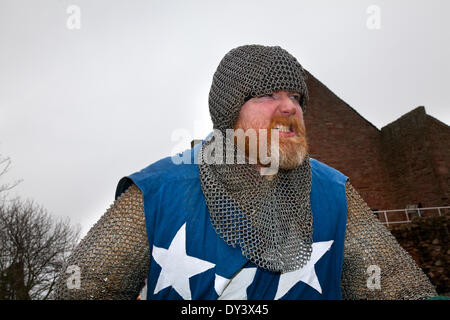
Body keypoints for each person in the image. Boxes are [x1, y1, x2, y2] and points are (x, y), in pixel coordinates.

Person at [55, 44, 437, 300]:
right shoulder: (161, 191)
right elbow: (84, 288)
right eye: (268, 95)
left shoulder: (333, 193)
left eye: (297, 97)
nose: (290, 107)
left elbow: (397, 285)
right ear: (228, 114)